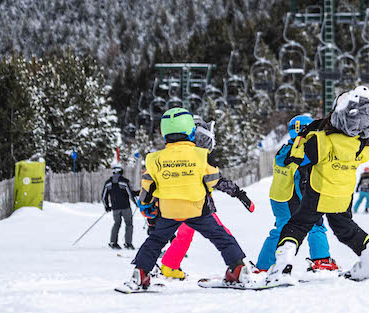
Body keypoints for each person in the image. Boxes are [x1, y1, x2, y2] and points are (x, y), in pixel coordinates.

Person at [268, 87, 369, 282]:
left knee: (297, 225)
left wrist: (306, 135)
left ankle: (282, 265)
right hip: (343, 196)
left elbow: (298, 157)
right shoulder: (360, 146)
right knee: (346, 229)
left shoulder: (322, 140)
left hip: (319, 193)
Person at [124, 108, 248, 291]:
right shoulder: (200, 155)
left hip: (169, 211)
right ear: (191, 131)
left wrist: (146, 205)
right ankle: (237, 269)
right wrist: (236, 192)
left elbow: (148, 187)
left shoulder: (155, 159)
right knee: (221, 237)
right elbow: (214, 180)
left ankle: (141, 273)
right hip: (197, 209)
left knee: (156, 240)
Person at [158, 119, 255, 280]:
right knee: (221, 233)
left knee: (183, 235)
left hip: (179, 205)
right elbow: (218, 181)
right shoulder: (199, 158)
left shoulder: (179, 157)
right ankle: (237, 265)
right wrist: (238, 192)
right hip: (199, 206)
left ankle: (169, 266)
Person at [255, 114, 335, 273]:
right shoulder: (303, 152)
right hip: (294, 197)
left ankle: (263, 266)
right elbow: (301, 181)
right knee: (315, 225)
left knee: (282, 229)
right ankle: (321, 260)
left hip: (279, 197)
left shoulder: (285, 149)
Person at [102, 165, 137, 250]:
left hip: (115, 208)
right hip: (126, 207)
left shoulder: (108, 183)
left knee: (116, 224)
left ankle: (113, 242)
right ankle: (128, 243)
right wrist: (136, 203)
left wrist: (107, 206)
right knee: (129, 224)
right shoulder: (124, 182)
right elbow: (130, 194)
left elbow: (103, 196)